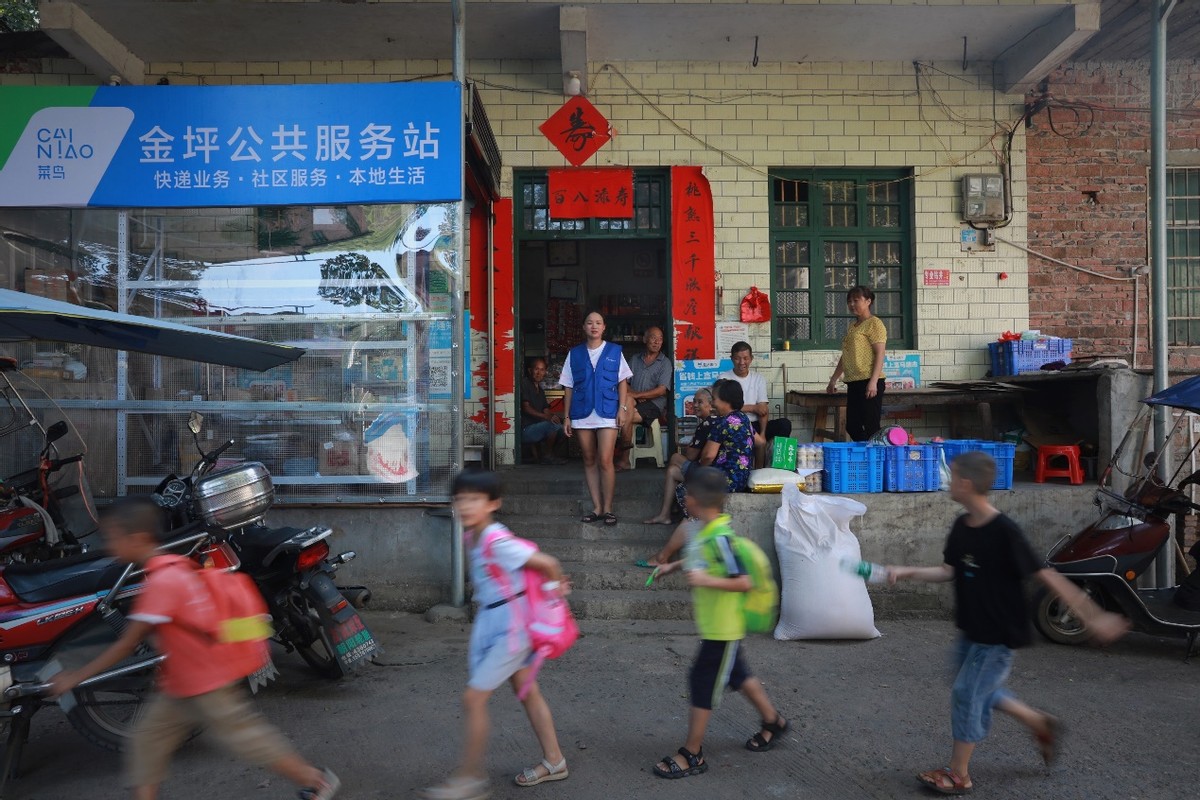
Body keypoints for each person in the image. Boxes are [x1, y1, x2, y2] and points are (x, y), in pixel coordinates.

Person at [48, 496, 339, 800]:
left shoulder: (161, 582)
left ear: (137, 539)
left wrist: (75, 677)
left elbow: (127, 645)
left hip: (205, 685)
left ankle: (317, 781)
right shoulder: (174, 567)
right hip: (184, 684)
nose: (109, 546)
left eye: (113, 538)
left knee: (248, 740)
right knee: (148, 743)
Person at [883, 451, 1128, 795]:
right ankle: (1038, 721)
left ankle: (959, 774)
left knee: (968, 694)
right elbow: (949, 570)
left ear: (966, 484)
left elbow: (1047, 576)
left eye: (952, 478)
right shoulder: (962, 525)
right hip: (972, 629)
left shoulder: (1004, 532)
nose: (947, 483)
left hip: (999, 634)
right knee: (981, 690)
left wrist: (1094, 615)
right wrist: (905, 571)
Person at [419, 470, 569, 800]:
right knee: (528, 692)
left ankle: (470, 780)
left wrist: (552, 592)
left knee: (473, 699)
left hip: (510, 629)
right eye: (461, 499)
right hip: (501, 621)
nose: (466, 506)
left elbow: (547, 562)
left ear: (493, 504)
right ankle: (555, 761)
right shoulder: (476, 534)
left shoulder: (496, 540)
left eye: (475, 499)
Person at [649, 466, 788, 779]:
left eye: (686, 496)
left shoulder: (721, 538)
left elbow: (743, 582)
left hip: (722, 629)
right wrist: (673, 566)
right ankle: (773, 722)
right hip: (718, 626)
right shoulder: (709, 531)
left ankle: (692, 754)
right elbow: (706, 560)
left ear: (696, 500)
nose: (684, 500)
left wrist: (704, 580)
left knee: (702, 683)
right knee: (738, 674)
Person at [560, 311, 632, 526]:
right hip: (581, 412)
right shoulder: (574, 354)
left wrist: (622, 408)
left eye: (598, 323)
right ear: (583, 327)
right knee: (589, 460)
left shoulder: (614, 351)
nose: (594, 326)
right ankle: (597, 507)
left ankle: (608, 509)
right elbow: (568, 387)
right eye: (589, 322)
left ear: (604, 327)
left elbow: (622, 382)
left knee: (605, 460)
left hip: (608, 411)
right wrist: (566, 417)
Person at [642, 386, 715, 526]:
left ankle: (671, 507)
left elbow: (691, 455)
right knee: (672, 471)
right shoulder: (713, 421)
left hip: (709, 474)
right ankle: (665, 514)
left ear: (711, 405)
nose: (695, 405)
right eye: (694, 401)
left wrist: (690, 448)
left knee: (675, 458)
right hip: (709, 472)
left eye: (700, 402)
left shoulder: (707, 423)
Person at [826, 285, 887, 441]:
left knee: (871, 425)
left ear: (868, 301)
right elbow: (845, 355)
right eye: (849, 301)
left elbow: (880, 353)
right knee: (852, 425)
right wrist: (833, 379)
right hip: (854, 382)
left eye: (856, 300)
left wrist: (873, 382)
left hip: (869, 381)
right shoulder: (852, 327)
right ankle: (867, 452)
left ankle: (874, 460)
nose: (852, 304)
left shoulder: (875, 323)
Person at [721, 342, 790, 467]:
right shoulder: (724, 378)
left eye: (745, 358)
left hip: (756, 425)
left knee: (784, 424)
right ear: (731, 359)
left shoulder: (758, 379)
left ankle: (775, 468)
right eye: (737, 358)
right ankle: (753, 471)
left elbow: (762, 409)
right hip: (735, 425)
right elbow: (724, 408)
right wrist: (752, 408)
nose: (742, 362)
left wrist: (763, 434)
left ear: (751, 359)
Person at [617, 326, 672, 471]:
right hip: (633, 402)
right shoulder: (635, 359)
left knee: (622, 415)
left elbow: (661, 390)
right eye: (653, 338)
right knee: (627, 403)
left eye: (660, 339)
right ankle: (624, 458)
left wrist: (637, 395)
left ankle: (623, 457)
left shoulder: (665, 363)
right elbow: (624, 383)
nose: (657, 342)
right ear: (645, 339)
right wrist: (634, 395)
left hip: (654, 405)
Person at [521, 357, 566, 465]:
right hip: (525, 430)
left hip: (538, 427)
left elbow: (546, 410)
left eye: (542, 370)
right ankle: (547, 456)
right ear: (530, 370)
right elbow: (525, 407)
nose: (539, 373)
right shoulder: (525, 384)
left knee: (563, 428)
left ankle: (550, 454)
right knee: (551, 426)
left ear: (545, 372)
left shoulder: (540, 389)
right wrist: (546, 417)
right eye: (536, 369)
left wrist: (554, 417)